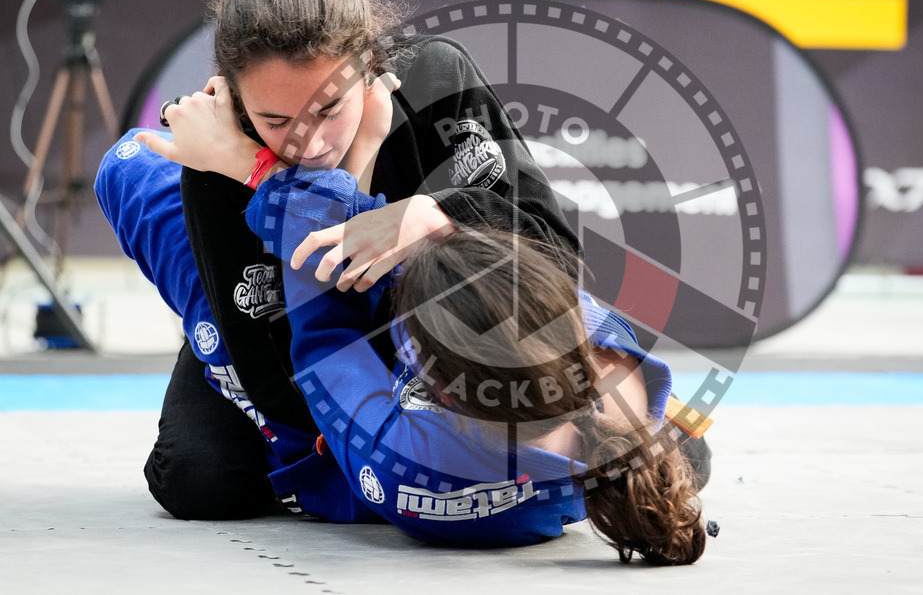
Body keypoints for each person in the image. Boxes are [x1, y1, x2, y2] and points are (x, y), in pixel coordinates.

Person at [110, 0, 581, 520]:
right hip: (287, 332)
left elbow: (558, 260)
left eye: (329, 108)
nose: (308, 145)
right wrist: (267, 175)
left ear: (367, 66)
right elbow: (283, 393)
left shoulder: (435, 82)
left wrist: (437, 214)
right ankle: (189, 298)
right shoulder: (219, 152)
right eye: (276, 122)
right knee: (198, 478)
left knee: (659, 457)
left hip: (438, 331)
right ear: (235, 100)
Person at [98, 134, 710, 561]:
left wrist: (258, 168)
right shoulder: (618, 369)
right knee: (695, 455)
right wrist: (425, 216)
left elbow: (324, 339)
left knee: (192, 473)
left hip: (332, 416)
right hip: (486, 411)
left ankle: (222, 303)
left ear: (432, 387)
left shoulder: (412, 462)